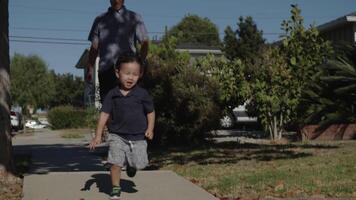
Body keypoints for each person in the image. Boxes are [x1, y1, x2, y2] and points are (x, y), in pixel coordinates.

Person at [89, 55, 155, 200]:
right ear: (118, 72)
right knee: (115, 161)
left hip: (138, 137)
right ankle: (115, 188)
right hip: (117, 135)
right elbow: (104, 115)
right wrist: (98, 135)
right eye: (127, 73)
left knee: (140, 163)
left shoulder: (142, 94)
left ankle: (132, 165)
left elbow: (150, 112)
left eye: (135, 74)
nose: (130, 78)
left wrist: (150, 128)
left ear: (140, 75)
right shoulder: (112, 95)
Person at [87, 0, 149, 103]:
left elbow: (145, 42)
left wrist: (140, 63)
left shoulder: (134, 17)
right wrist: (90, 69)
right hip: (106, 71)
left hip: (127, 71)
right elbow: (94, 47)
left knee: (128, 105)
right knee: (108, 107)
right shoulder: (100, 20)